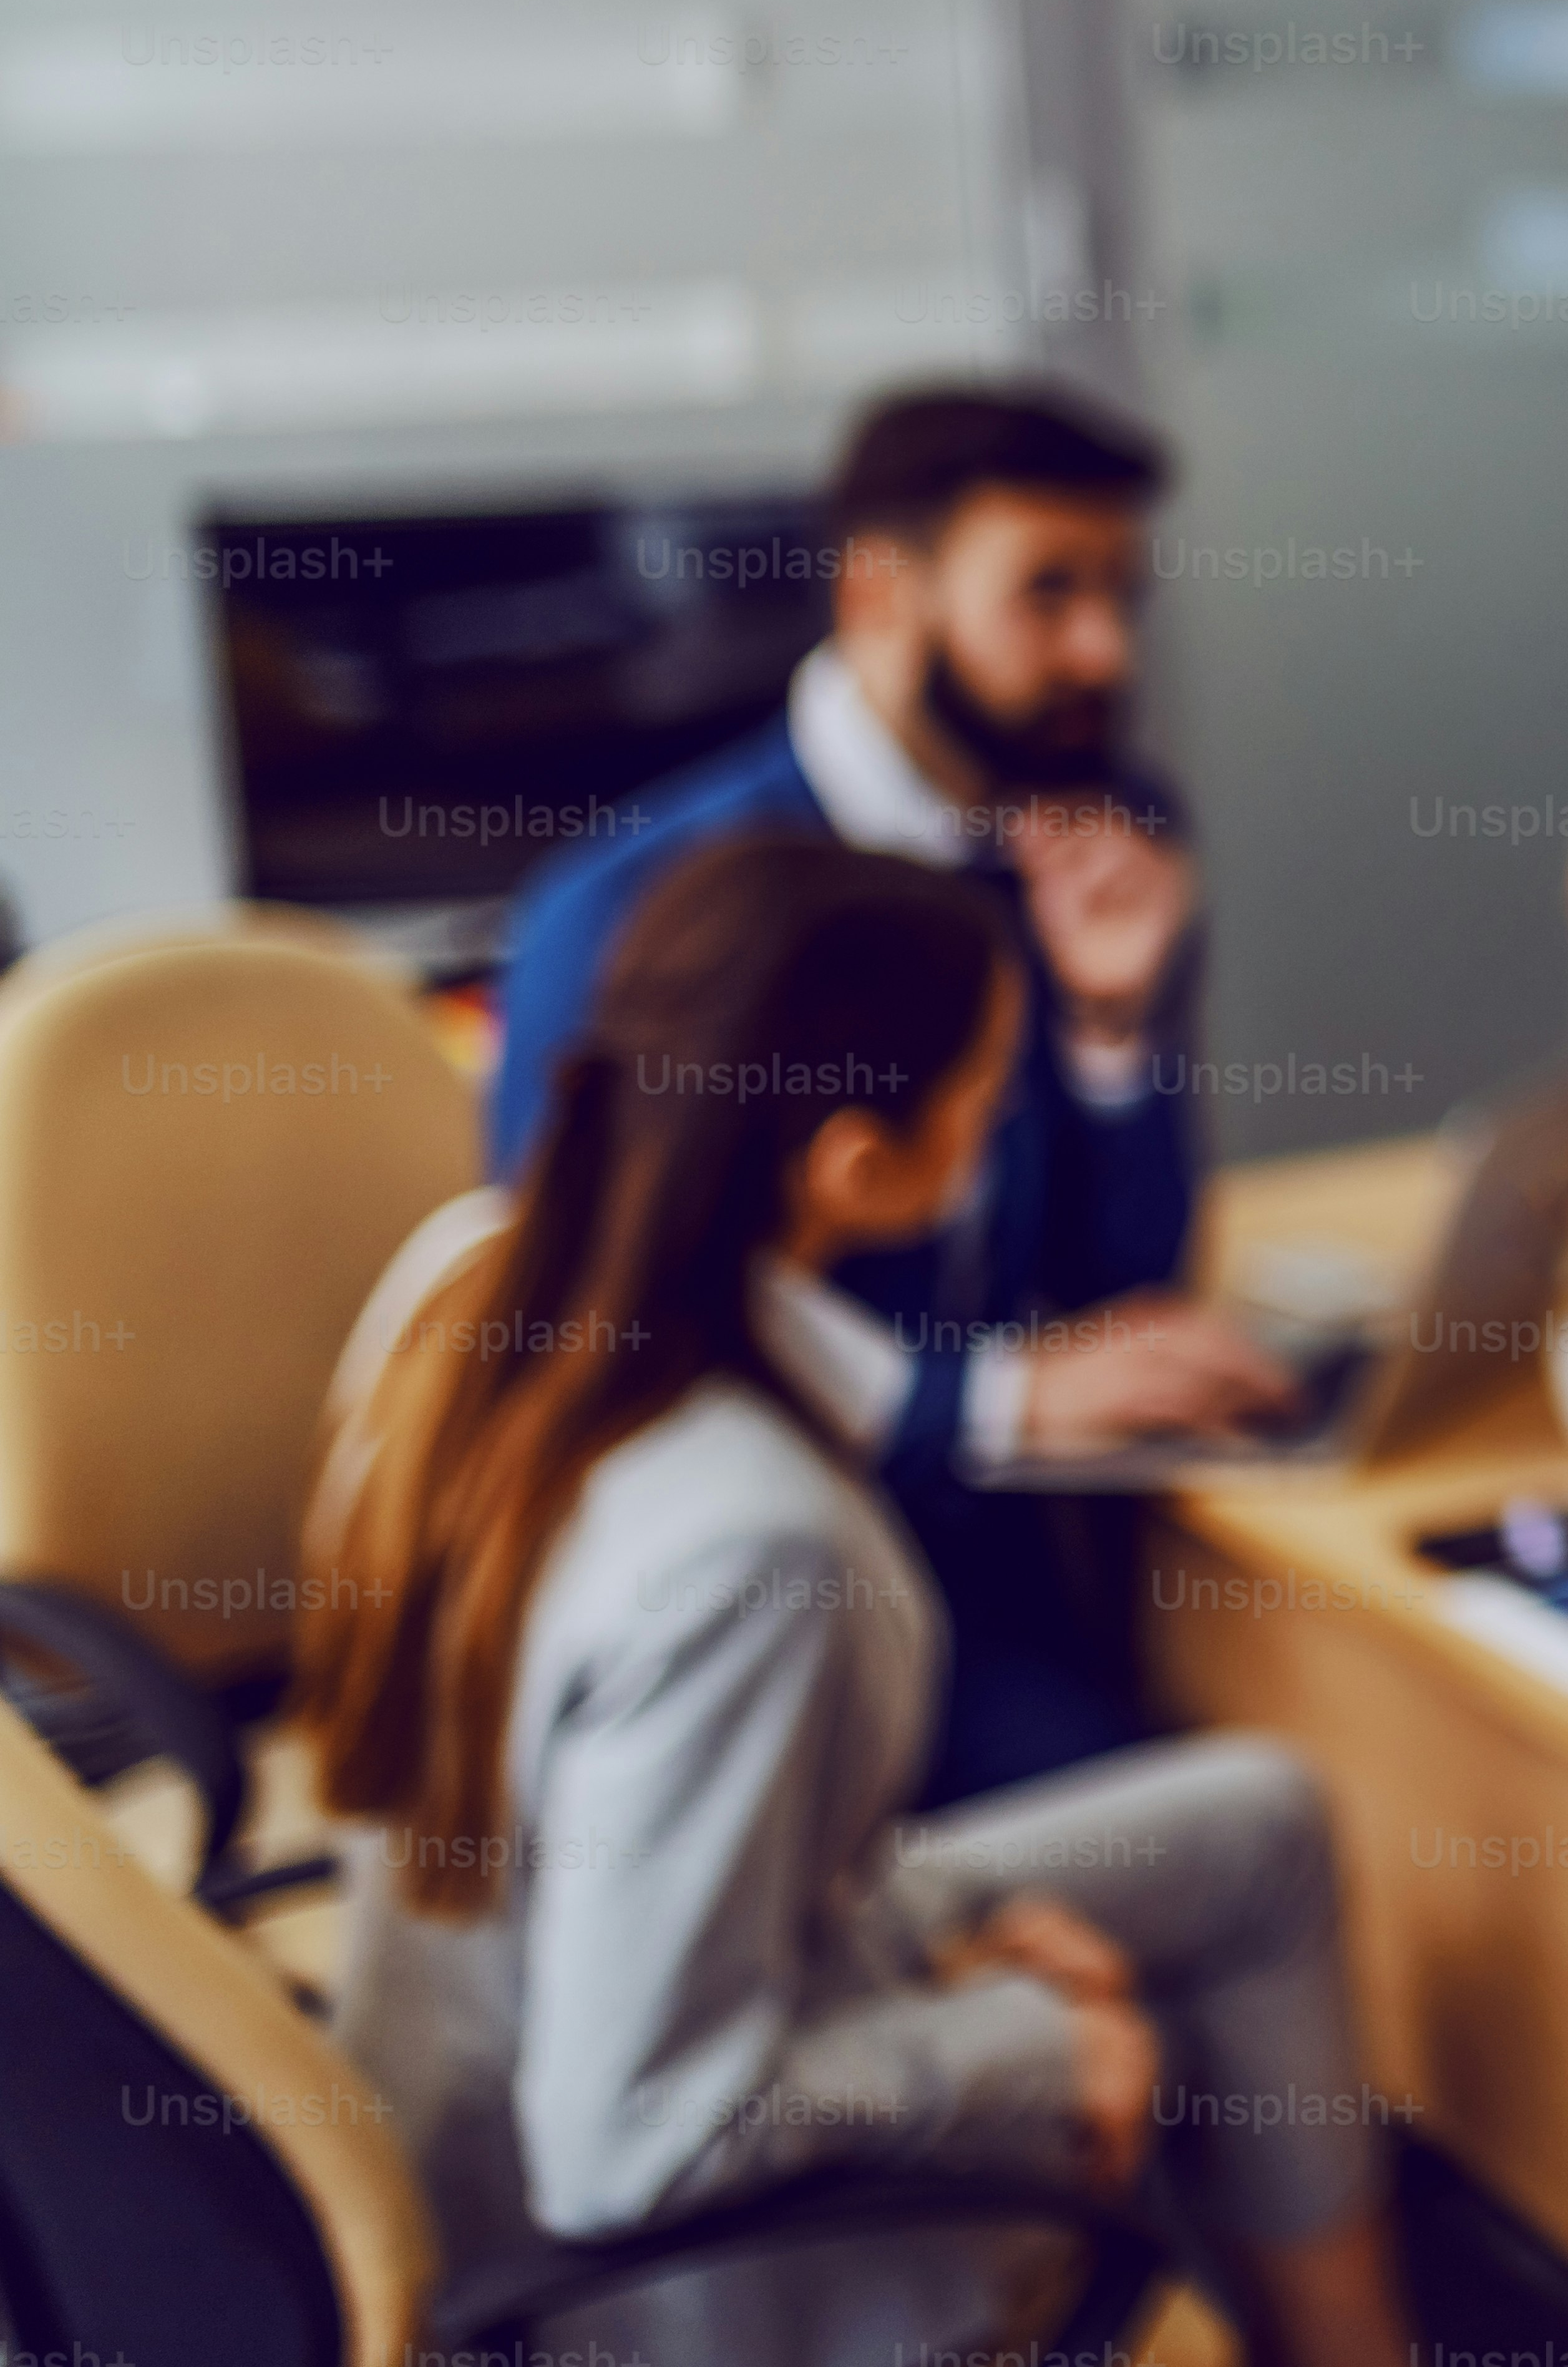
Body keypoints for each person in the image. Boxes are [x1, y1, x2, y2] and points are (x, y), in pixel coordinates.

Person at [304, 837, 1406, 2366]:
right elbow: (630, 2137)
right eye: (980, 1098)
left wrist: (938, 1922)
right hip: (652, 2280)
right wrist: (1018, 2046)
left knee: (1259, 1824)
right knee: (1119, 2048)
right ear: (855, 1167)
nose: (1001, 1124)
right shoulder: (751, 1547)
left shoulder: (475, 1282)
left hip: (524, 2048)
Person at [483, 383, 1289, 1805]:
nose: (1102, 647)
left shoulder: (1116, 835)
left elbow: (1128, 1285)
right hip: (761, 1593)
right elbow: (600, 1342)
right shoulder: (640, 913)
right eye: (1047, 594)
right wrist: (986, 1400)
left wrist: (1114, 1028)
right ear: (879, 592)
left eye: (1121, 593)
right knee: (1211, 1821)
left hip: (1042, 1563)